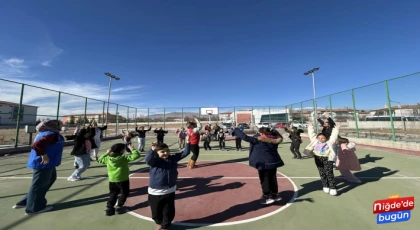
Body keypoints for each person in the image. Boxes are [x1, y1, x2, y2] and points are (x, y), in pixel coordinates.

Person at [13, 120, 65, 215]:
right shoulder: (51, 135)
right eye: (60, 124)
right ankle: (33, 208)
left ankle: (26, 201)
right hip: (43, 163)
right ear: (54, 125)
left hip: (48, 163)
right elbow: (36, 145)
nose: (62, 125)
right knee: (39, 184)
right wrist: (43, 154)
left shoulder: (48, 133)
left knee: (50, 179)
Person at [145, 136, 191, 230]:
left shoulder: (173, 158)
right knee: (156, 211)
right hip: (155, 192)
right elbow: (148, 160)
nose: (166, 153)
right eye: (162, 151)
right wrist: (152, 150)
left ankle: (165, 225)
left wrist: (187, 142)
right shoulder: (155, 161)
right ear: (157, 153)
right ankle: (159, 222)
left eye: (167, 151)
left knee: (168, 211)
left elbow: (185, 153)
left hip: (170, 190)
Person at [232, 127, 284, 204]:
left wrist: (236, 130)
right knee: (272, 178)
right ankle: (274, 195)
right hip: (273, 162)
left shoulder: (258, 140)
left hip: (263, 163)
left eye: (260, 133)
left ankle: (266, 196)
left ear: (262, 134)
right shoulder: (275, 139)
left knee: (264, 179)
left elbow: (244, 137)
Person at [98, 143, 141, 216]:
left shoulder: (108, 158)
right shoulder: (123, 157)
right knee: (125, 193)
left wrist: (107, 153)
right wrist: (132, 149)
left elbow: (99, 160)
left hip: (112, 179)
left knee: (113, 193)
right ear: (121, 151)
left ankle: (109, 208)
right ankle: (119, 206)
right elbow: (136, 156)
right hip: (123, 179)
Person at [304, 122, 340, 196]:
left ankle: (333, 187)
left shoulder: (329, 142)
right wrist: (310, 126)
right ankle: (325, 186)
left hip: (327, 158)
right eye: (319, 138)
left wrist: (336, 128)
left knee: (329, 173)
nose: (320, 139)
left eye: (323, 138)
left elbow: (334, 136)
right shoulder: (315, 141)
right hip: (317, 158)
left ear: (326, 138)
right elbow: (311, 134)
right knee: (322, 173)